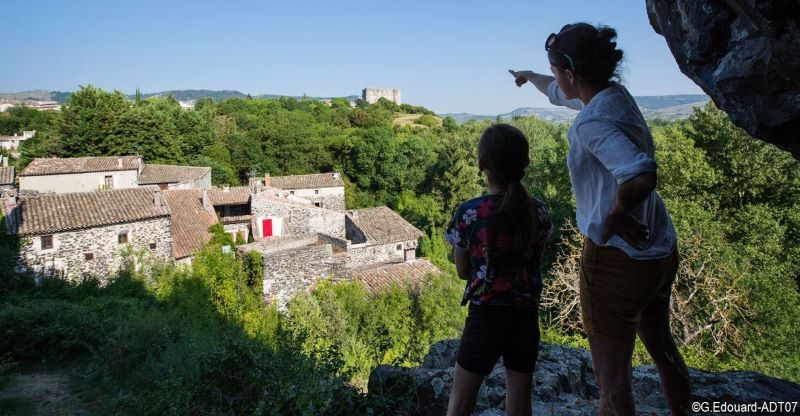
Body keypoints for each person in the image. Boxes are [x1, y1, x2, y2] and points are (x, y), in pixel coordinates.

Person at [508, 23, 691, 415]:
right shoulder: (613, 97)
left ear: (572, 74)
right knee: (663, 350)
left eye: (556, 70)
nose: (555, 79)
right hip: (658, 249)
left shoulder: (591, 123)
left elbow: (641, 173)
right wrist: (530, 75)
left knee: (612, 384)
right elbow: (557, 92)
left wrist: (614, 215)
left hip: (615, 260)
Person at [444, 124, 553, 416]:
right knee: (519, 402)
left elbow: (463, 272)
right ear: (525, 164)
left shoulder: (469, 213)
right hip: (525, 314)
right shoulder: (539, 211)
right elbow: (534, 260)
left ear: (481, 165)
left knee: (461, 402)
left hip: (486, 315)